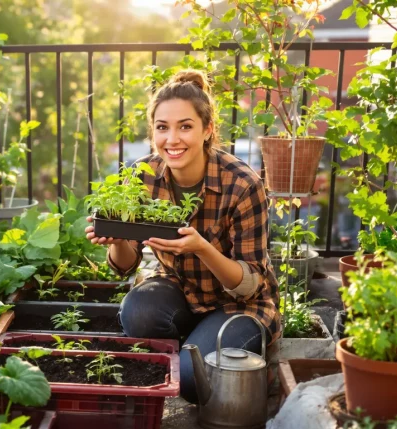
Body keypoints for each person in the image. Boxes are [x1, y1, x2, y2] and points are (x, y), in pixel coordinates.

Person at [85, 69, 281, 402]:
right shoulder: (143, 177)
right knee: (139, 310)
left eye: (185, 126)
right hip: (180, 291)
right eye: (162, 127)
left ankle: (252, 364)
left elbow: (250, 284)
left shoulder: (242, 184)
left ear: (207, 130)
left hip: (239, 306)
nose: (172, 140)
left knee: (193, 382)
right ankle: (197, 344)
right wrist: (118, 240)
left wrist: (203, 248)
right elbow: (125, 267)